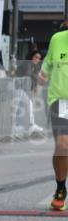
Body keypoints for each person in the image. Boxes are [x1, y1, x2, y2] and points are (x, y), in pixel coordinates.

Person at [39, 19, 68, 210]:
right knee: (62, 145)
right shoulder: (57, 39)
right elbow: (47, 65)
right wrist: (42, 76)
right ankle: (60, 188)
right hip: (61, 100)